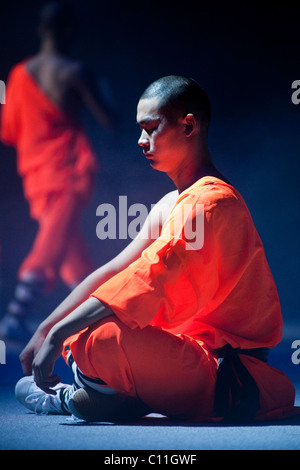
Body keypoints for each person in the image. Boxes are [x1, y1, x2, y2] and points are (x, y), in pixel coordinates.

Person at [15, 75, 296, 423]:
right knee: (86, 326)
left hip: (228, 373)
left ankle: (92, 395)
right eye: (139, 129)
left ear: (188, 126)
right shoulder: (171, 202)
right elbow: (115, 271)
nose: (140, 140)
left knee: (99, 336)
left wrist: (61, 334)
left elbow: (152, 278)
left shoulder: (212, 202)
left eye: (150, 128)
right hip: (183, 357)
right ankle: (112, 395)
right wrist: (48, 328)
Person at [0, 2, 115, 342]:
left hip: (35, 170)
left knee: (64, 245)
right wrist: (105, 88)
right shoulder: (76, 71)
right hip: (68, 171)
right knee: (58, 244)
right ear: (69, 32)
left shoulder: (19, 75)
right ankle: (16, 315)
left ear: (41, 31)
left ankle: (98, 311)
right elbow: (109, 121)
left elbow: (7, 131)